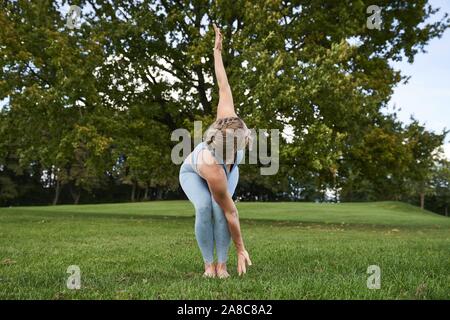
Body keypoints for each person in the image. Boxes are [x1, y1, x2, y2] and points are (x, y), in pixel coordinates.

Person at [179, 24, 253, 278]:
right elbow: (232, 211)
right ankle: (209, 264)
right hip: (193, 172)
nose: (247, 135)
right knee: (205, 208)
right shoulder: (212, 164)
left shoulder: (228, 117)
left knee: (220, 209)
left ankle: (222, 265)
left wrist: (217, 51)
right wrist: (241, 248)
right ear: (229, 150)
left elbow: (222, 83)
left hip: (225, 170)